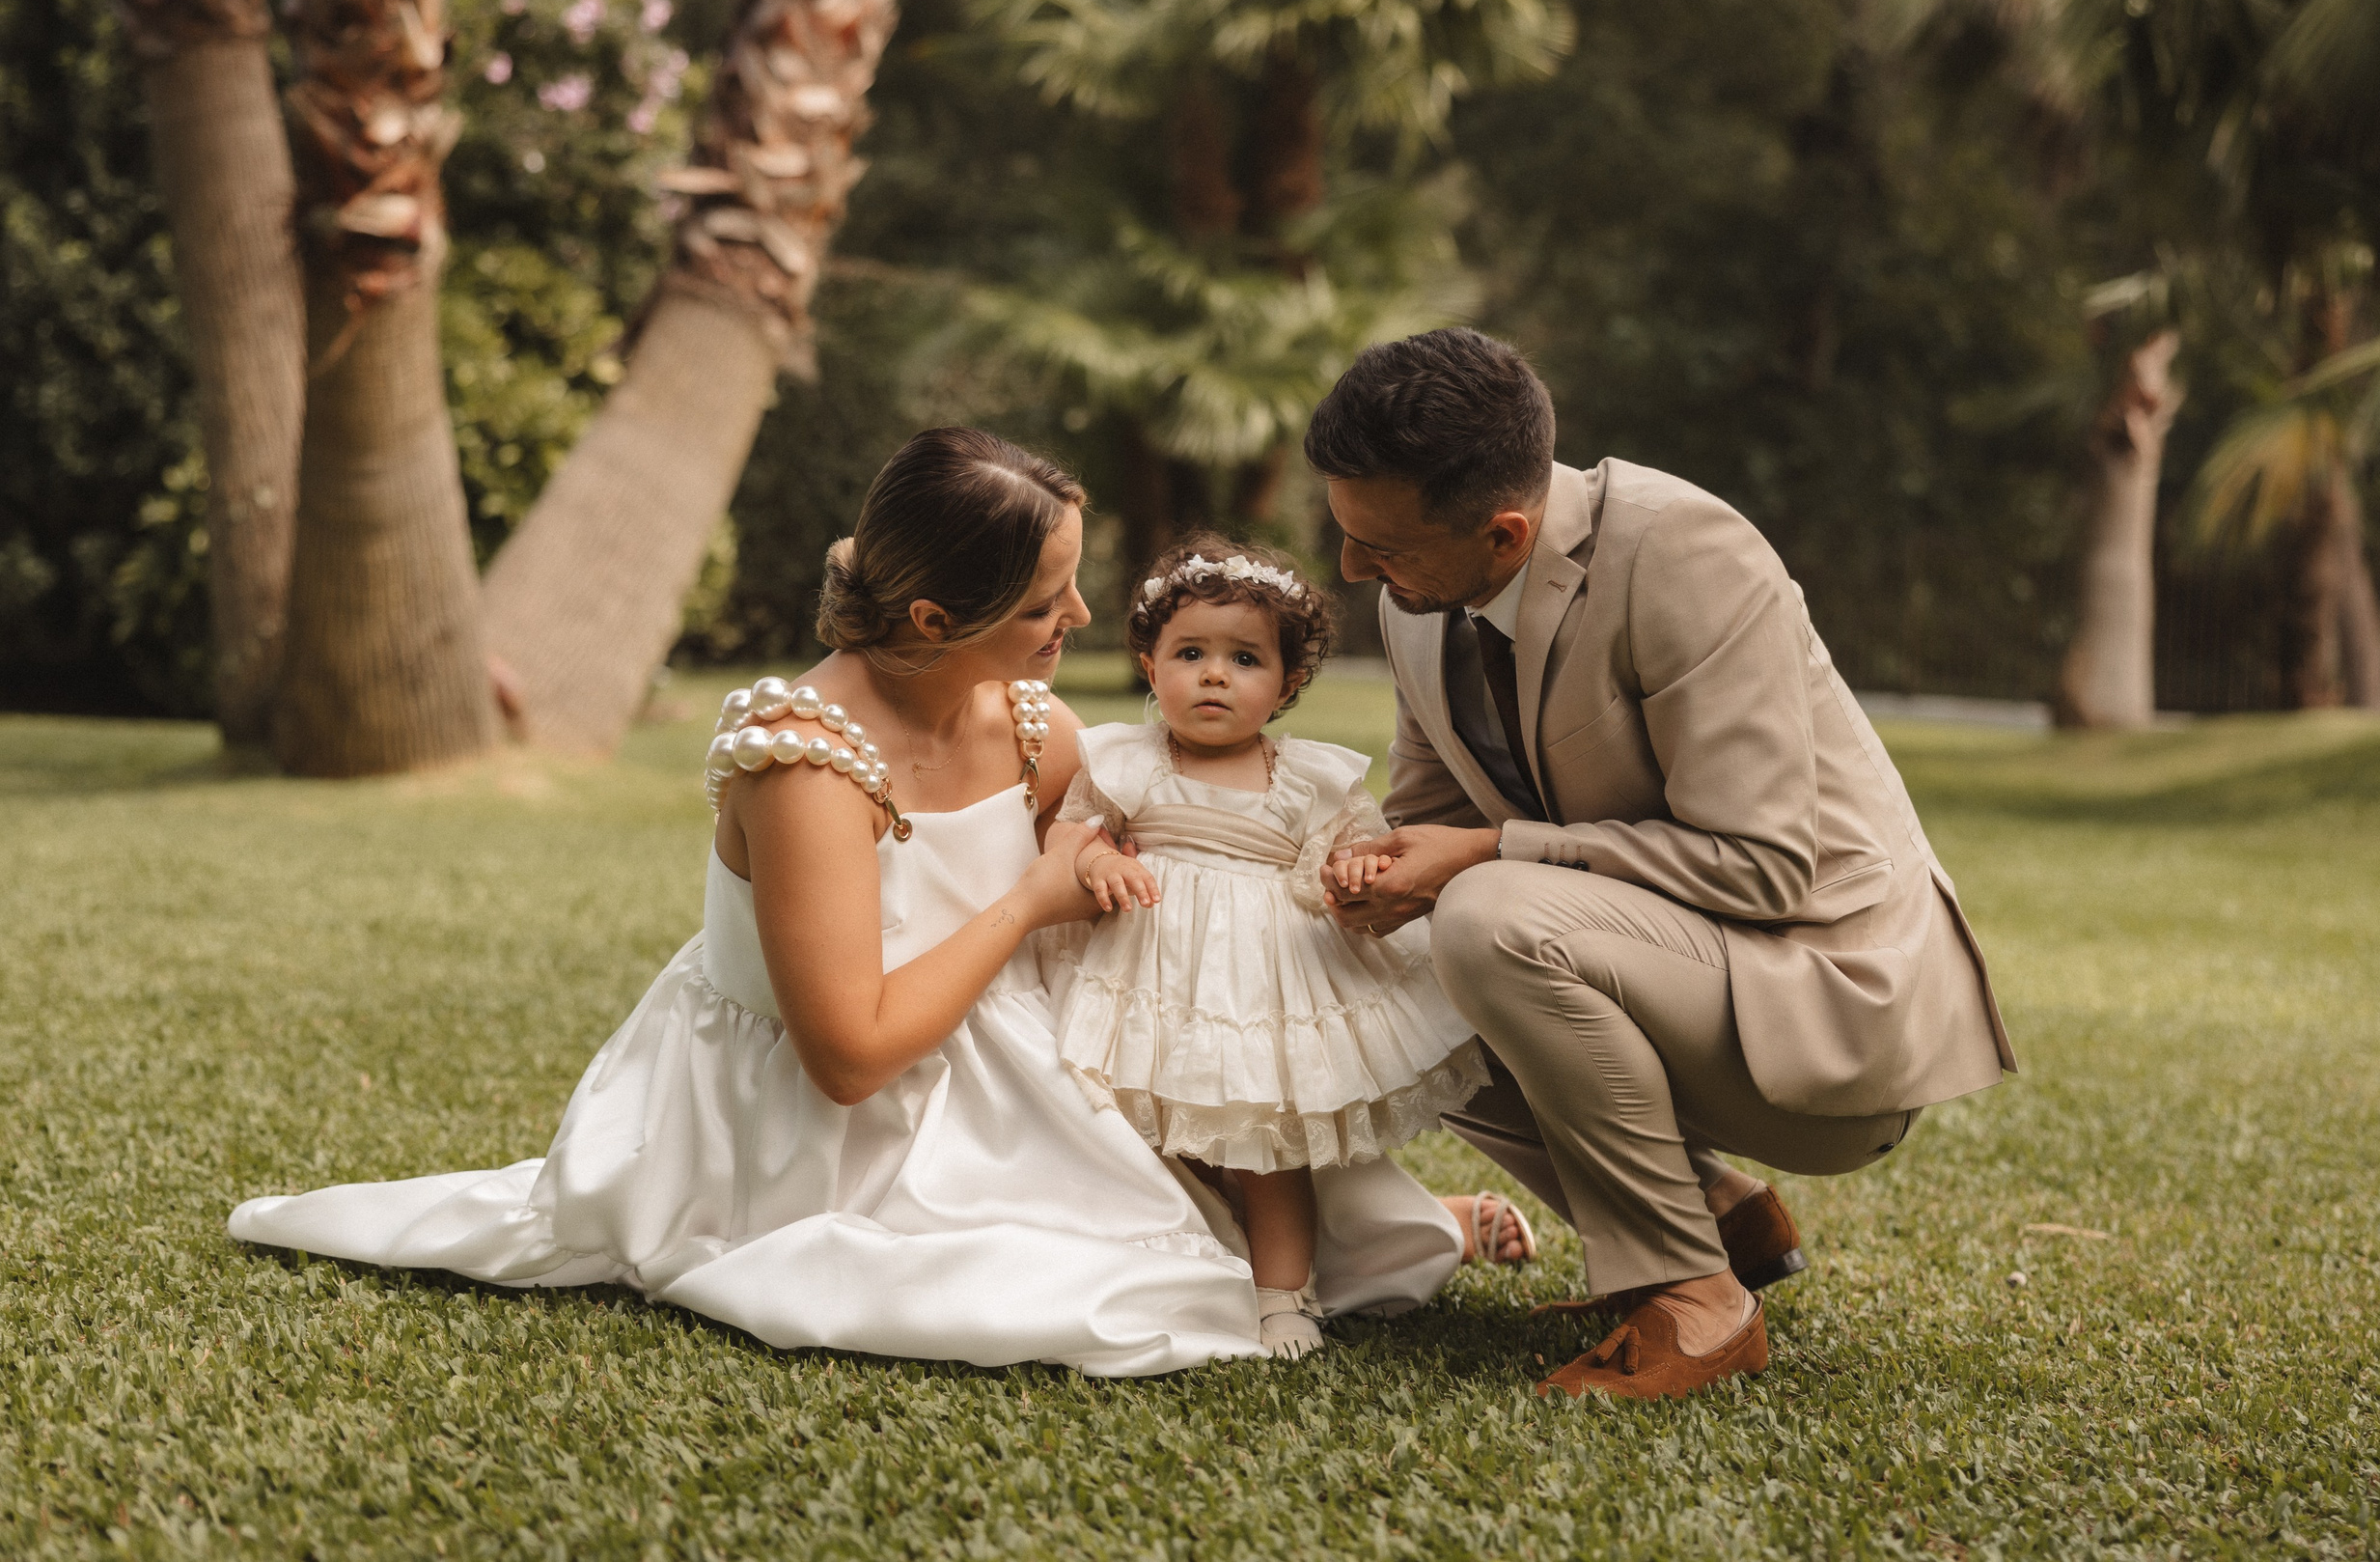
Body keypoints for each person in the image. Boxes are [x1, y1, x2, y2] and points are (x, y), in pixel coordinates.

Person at [230, 428, 1452, 1376]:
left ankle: (1309, 1227)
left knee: (1258, 1171)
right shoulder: (804, 765)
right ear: (935, 618)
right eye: (1045, 603)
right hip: (822, 1114)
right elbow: (849, 1058)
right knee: (1138, 1292)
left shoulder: (1035, 725)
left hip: (1009, 1045)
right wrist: (1032, 900)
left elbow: (1154, 895)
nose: (1080, 622)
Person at [1312, 329, 2016, 1401]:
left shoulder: (1687, 554)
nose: (1355, 570)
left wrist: (1493, 852)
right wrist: (1358, 872)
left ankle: (1693, 1301)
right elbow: (1430, 819)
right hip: (1652, 965)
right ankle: (1712, 1214)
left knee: (1486, 915)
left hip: (1817, 1002)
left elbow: (1764, 865)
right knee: (1368, 960)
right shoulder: (1418, 604)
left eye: (1383, 546)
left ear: (1504, 533)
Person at [1048, 536, 1506, 1357]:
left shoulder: (1305, 779)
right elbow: (1071, 836)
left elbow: (1347, 856)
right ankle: (1176, 1263)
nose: (1215, 674)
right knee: (1139, 1140)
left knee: (1267, 1152)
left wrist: (1357, 866)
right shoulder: (1129, 762)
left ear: (1286, 683)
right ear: (1152, 668)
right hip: (1145, 977)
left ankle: (1283, 1297)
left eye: (1245, 658)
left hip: (1259, 988)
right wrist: (1098, 859)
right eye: (1190, 652)